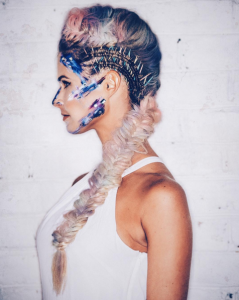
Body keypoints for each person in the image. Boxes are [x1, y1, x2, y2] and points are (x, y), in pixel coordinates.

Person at [36, 4, 192, 300]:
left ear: (109, 83)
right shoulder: (81, 185)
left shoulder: (161, 197)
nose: (57, 99)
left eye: (66, 83)